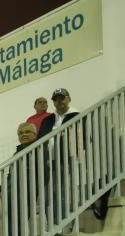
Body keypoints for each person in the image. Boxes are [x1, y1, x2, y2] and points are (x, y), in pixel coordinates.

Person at [37, 87, 81, 225]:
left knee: (57, 191)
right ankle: (52, 222)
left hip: (65, 159)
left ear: (68, 99)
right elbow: (40, 140)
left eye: (61, 98)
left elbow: (84, 137)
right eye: (55, 99)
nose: (58, 101)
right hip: (47, 161)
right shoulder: (48, 119)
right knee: (44, 195)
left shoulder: (76, 116)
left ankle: (59, 223)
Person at [4, 122, 41, 236]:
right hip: (13, 195)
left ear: (35, 134)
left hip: (26, 193)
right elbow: (11, 174)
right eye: (20, 133)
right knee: (12, 229)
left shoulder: (37, 149)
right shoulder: (18, 152)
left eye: (27, 131)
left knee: (18, 228)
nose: (23, 135)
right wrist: (3, 188)